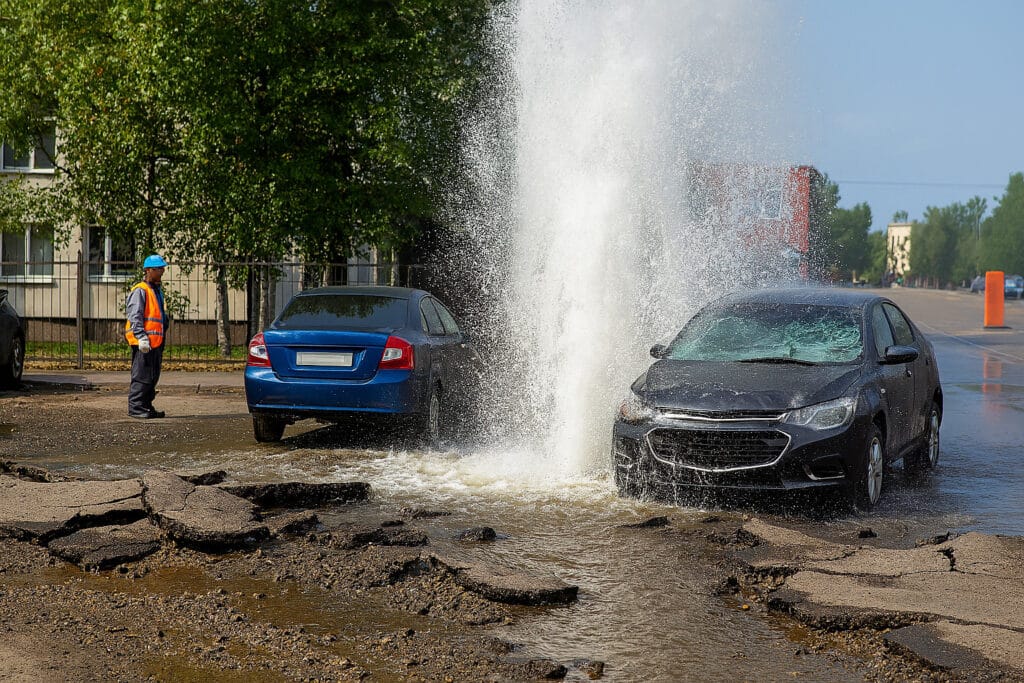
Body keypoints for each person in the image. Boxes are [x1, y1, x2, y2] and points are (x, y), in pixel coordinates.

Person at [125, 254, 168, 418]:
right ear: (148, 270)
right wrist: (141, 337)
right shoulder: (140, 290)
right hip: (143, 342)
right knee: (142, 375)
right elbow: (135, 316)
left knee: (152, 376)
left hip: (155, 342)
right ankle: (136, 407)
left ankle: (146, 406)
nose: (162, 272)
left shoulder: (156, 290)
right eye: (159, 269)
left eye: (163, 269)